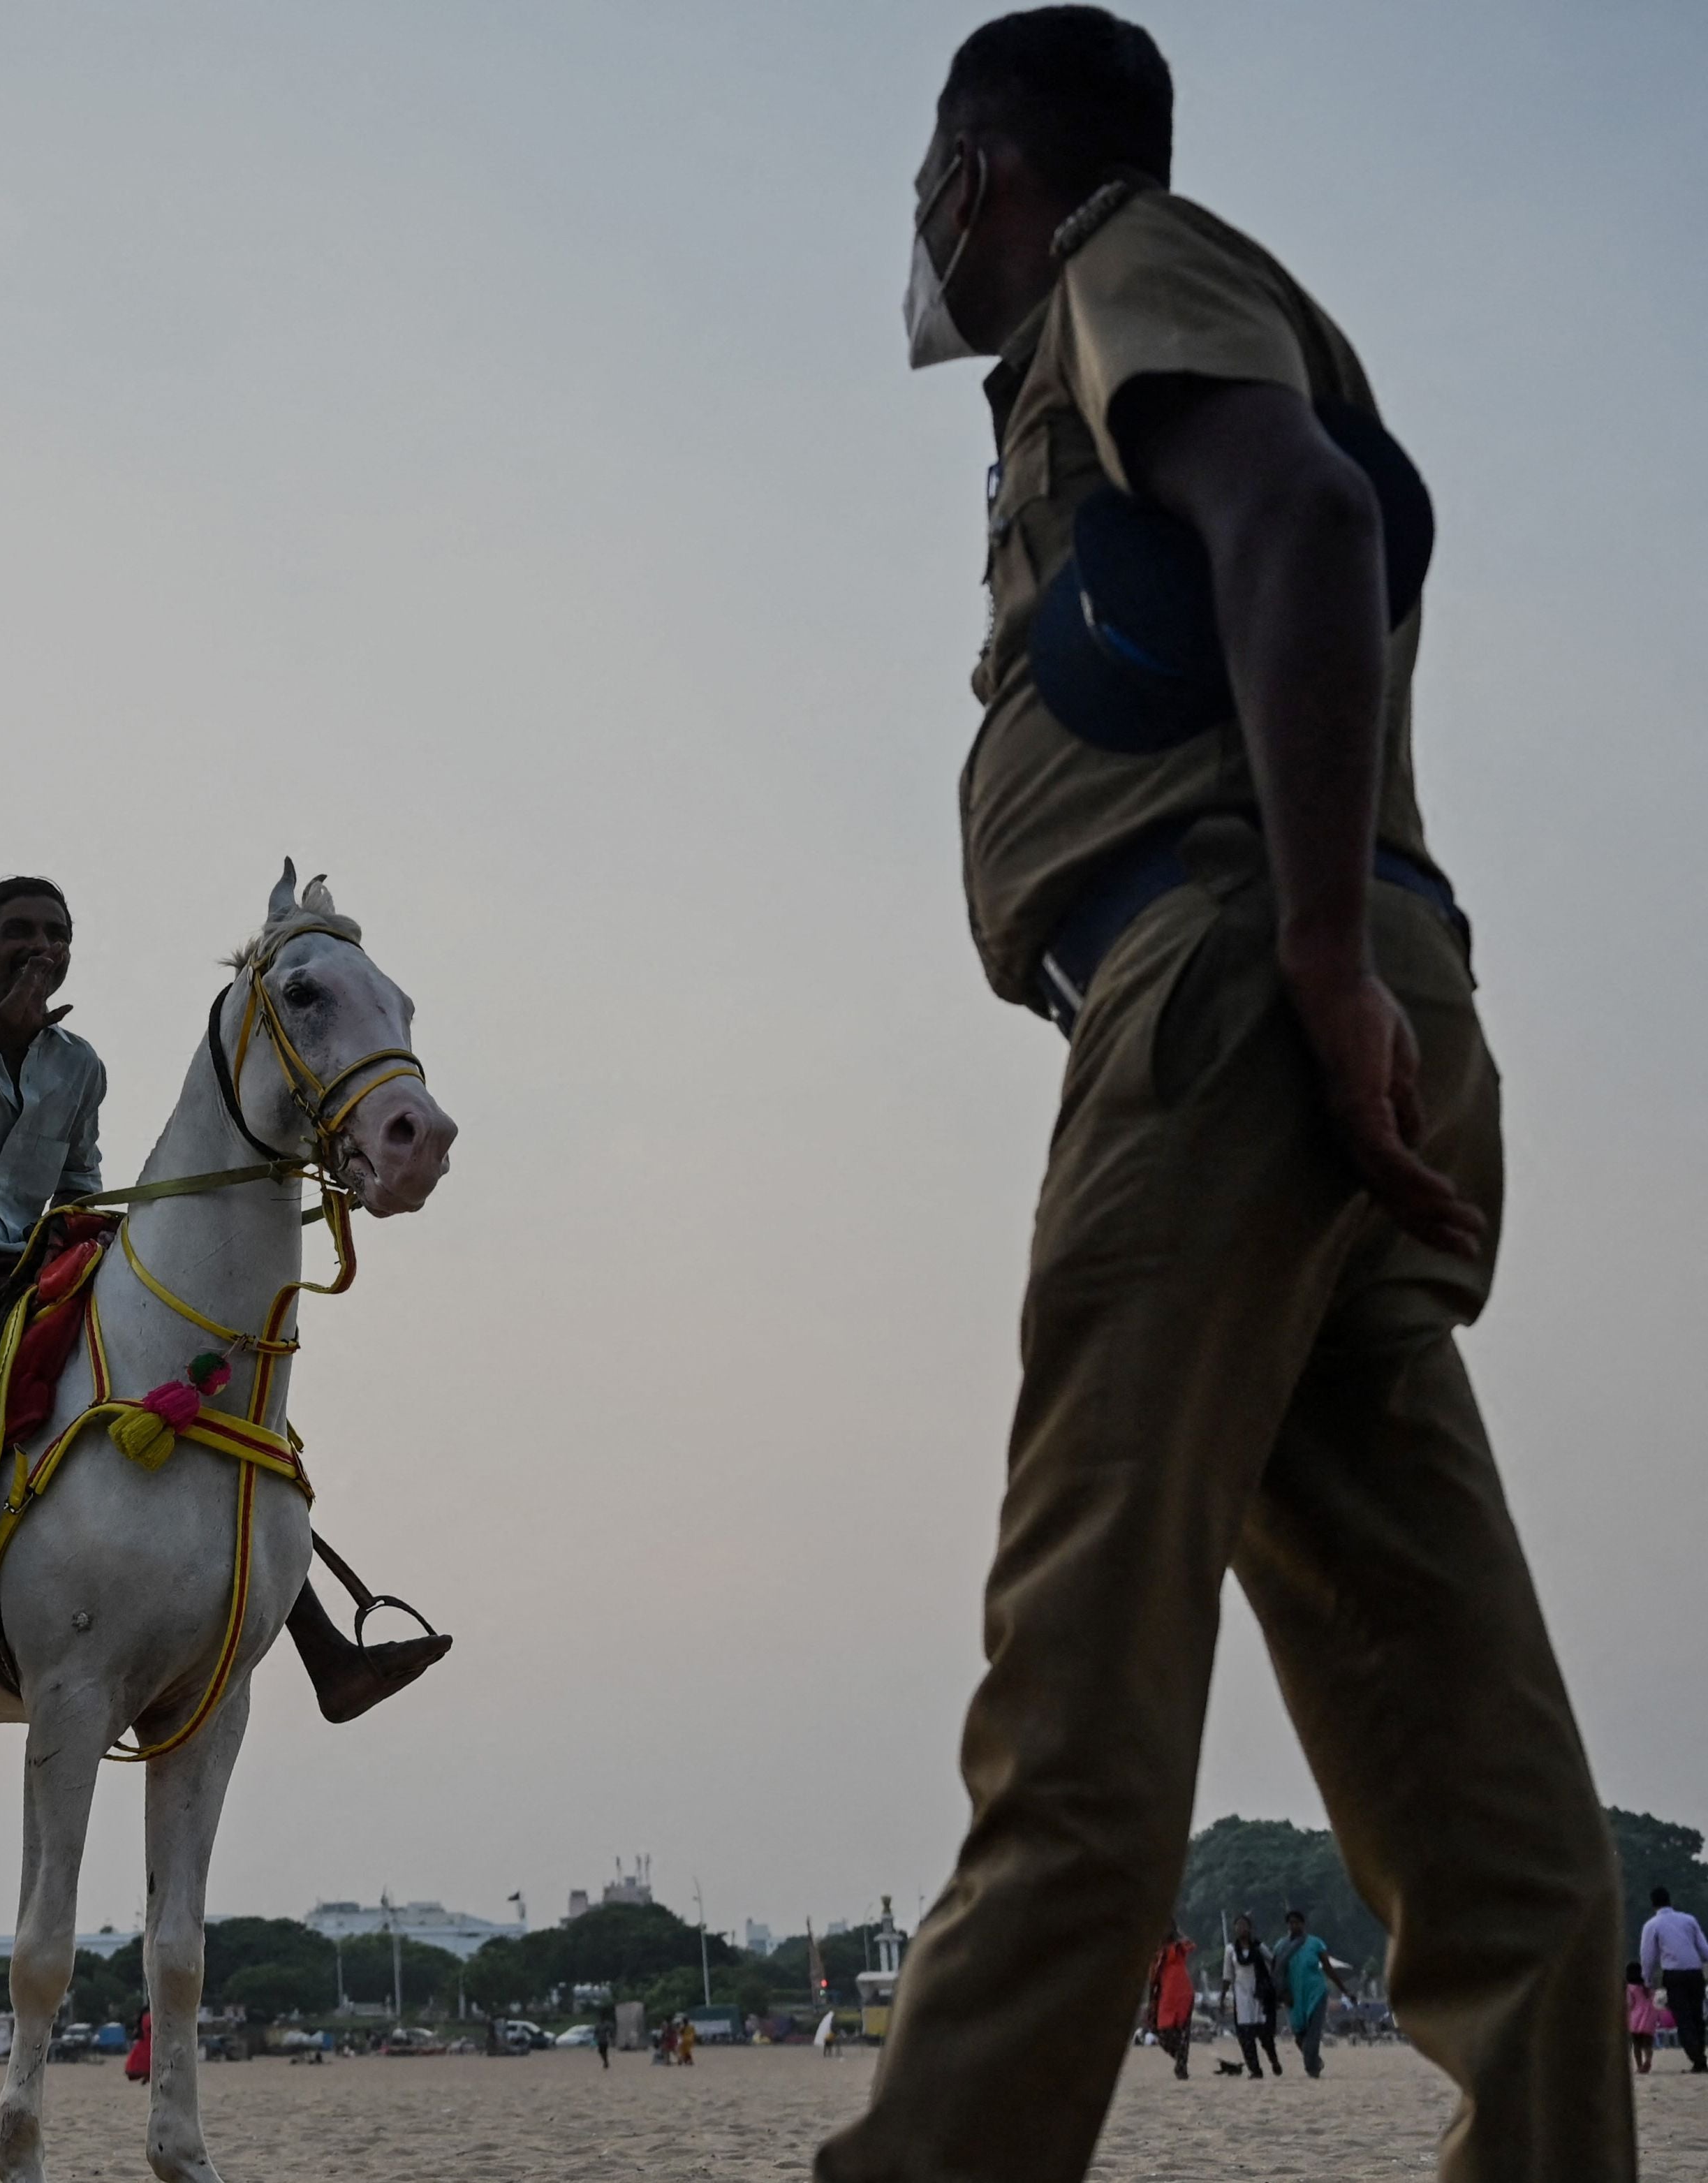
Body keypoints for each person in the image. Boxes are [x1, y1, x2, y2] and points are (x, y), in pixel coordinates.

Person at [814, 13, 1631, 2179]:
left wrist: (1316, 961)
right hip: (1335, 1029)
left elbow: (1302, 508)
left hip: (1236, 999)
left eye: (931, 174)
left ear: (982, 169)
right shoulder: (1148, 297)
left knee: (1078, 1675)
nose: (926, 221)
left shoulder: (1124, 260)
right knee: (1479, 1785)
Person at [0, 876, 449, 1734]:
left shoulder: (76, 1066)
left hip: (33, 1257)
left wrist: (115, 1243)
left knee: (188, 1383)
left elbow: (79, 1183)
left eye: (56, 934)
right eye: (18, 933)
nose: (40, 948)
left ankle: (324, 1651)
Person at [1273, 1909, 1354, 2078]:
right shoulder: (1281, 1947)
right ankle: (1315, 2061)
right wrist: (1279, 1994)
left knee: (1313, 2033)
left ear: (1303, 1924)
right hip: (1293, 1997)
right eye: (1291, 1923)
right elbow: (1276, 1972)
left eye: (1297, 1922)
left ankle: (1312, 2069)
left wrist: (1345, 1990)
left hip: (1315, 1994)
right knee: (1299, 2035)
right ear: (1287, 1926)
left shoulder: (1315, 1943)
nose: (1294, 1925)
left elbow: (1328, 1968)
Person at [1641, 1885, 1708, 2073]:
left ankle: (1698, 2059)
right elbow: (1704, 1949)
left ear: (1652, 1904)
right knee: (1697, 2018)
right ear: (1670, 1901)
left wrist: (1648, 1981)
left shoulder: (1652, 1925)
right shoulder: (1689, 1920)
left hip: (1674, 1975)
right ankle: (1699, 2057)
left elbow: (1648, 1957)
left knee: (1684, 2019)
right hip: (1695, 1971)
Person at [1225, 1916, 1281, 2080]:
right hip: (1241, 1997)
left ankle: (1274, 2060)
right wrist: (1222, 1998)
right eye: (1238, 1925)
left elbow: (1273, 1962)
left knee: (1265, 2035)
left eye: (1244, 1925)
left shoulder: (1259, 1947)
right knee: (1246, 2037)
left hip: (1260, 1996)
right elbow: (1227, 1975)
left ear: (1250, 1928)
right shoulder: (1230, 1950)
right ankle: (1255, 2070)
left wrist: (1272, 1982)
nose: (1241, 1928)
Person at [1143, 1922, 1196, 2079]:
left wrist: (1179, 1933)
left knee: (1183, 2032)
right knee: (1162, 2031)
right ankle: (1181, 2060)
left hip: (1183, 1994)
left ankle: (1181, 2068)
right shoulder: (1156, 1954)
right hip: (1165, 1996)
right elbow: (1152, 1980)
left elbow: (1191, 1944)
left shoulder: (1178, 1948)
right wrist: (1151, 2002)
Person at [1625, 1963, 1664, 2078]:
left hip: (1635, 2019)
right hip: (1650, 2017)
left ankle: (1639, 2065)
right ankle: (1648, 2060)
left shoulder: (1630, 1988)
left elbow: (1630, 2003)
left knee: (1636, 2045)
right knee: (1648, 2044)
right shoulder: (1648, 1987)